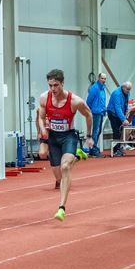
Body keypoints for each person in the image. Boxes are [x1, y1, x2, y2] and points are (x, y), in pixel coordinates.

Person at [37, 69, 93, 222]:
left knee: (66, 167)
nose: (53, 89)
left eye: (56, 85)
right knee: (58, 176)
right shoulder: (44, 98)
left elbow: (89, 115)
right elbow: (41, 117)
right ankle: (78, 155)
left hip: (68, 136)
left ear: (62, 83)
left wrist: (89, 136)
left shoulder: (75, 101)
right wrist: (42, 128)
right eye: (50, 85)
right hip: (53, 137)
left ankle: (61, 208)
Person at [107, 82, 132, 157]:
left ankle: (118, 148)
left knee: (120, 131)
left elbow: (126, 102)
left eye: (130, 89)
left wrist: (126, 110)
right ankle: (115, 150)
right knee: (116, 131)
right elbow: (117, 107)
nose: (128, 91)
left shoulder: (127, 93)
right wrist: (123, 119)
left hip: (119, 113)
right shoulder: (116, 94)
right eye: (127, 89)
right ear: (123, 87)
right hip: (113, 113)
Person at [85, 73, 107, 157]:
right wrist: (90, 111)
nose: (104, 80)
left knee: (98, 131)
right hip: (95, 112)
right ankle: (93, 149)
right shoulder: (94, 88)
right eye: (102, 78)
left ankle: (93, 149)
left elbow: (103, 100)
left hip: (101, 112)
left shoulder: (103, 88)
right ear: (98, 78)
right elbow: (88, 101)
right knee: (95, 131)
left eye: (105, 79)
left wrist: (104, 109)